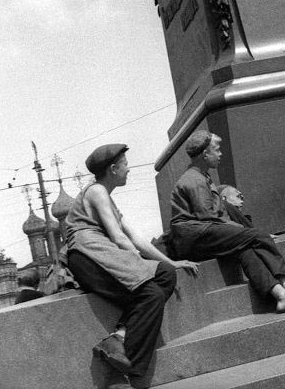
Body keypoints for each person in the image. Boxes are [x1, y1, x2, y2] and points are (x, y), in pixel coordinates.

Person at [65, 144, 199, 389]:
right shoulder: (96, 191)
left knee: (166, 274)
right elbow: (118, 238)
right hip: (87, 255)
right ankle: (127, 375)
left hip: (100, 253)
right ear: (113, 169)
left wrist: (170, 262)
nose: (129, 169)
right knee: (151, 294)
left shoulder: (107, 197)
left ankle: (119, 338)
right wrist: (137, 263)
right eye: (126, 165)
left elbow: (135, 238)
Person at [170, 130, 285, 313]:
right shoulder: (193, 180)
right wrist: (241, 229)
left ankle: (282, 297)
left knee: (246, 249)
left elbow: (215, 214)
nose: (220, 154)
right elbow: (208, 217)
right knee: (257, 235)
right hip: (196, 238)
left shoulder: (203, 175)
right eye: (217, 150)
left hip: (204, 233)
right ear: (205, 154)